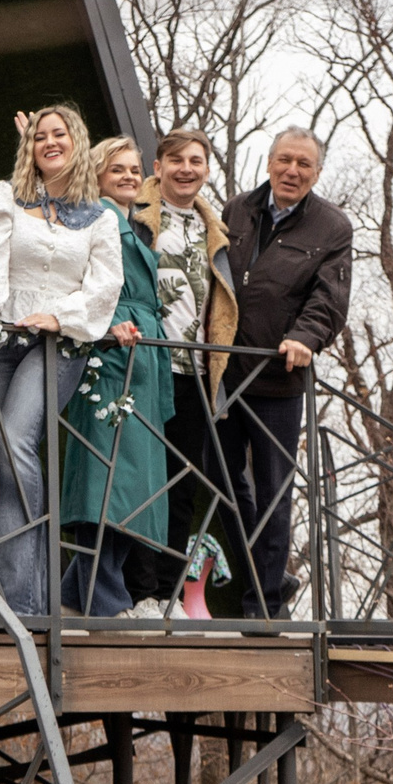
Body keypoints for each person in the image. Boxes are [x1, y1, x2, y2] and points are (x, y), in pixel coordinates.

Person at [0, 104, 123, 619]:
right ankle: (20, 598)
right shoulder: (9, 196)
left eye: (60, 134)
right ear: (31, 147)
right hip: (1, 339)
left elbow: (104, 286)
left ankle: (14, 603)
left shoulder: (101, 218)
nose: (50, 141)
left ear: (77, 142)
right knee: (7, 460)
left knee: (16, 441)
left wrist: (60, 315)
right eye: (41, 135)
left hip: (57, 343)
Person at [219, 127, 351, 619]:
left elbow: (329, 300)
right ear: (269, 162)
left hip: (277, 377)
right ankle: (265, 571)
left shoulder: (331, 228)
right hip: (226, 371)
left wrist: (305, 337)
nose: (292, 171)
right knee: (220, 479)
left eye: (304, 165)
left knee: (275, 490)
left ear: (316, 173)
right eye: (284, 160)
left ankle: (264, 603)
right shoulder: (236, 211)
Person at [58, 138, 175, 618]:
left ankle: (72, 593)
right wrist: (103, 328)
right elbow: (73, 283)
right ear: (97, 174)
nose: (128, 177)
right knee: (105, 482)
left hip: (144, 359)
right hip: (110, 356)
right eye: (116, 170)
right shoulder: (91, 219)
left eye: (133, 169)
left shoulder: (135, 227)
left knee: (137, 487)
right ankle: (104, 598)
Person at [126, 129, 239, 620]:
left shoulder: (213, 227)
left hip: (196, 371)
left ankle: (171, 592)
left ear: (207, 169)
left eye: (196, 161)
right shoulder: (136, 216)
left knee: (182, 484)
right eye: (176, 160)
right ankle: (139, 591)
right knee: (142, 480)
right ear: (158, 166)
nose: (186, 169)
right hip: (148, 364)